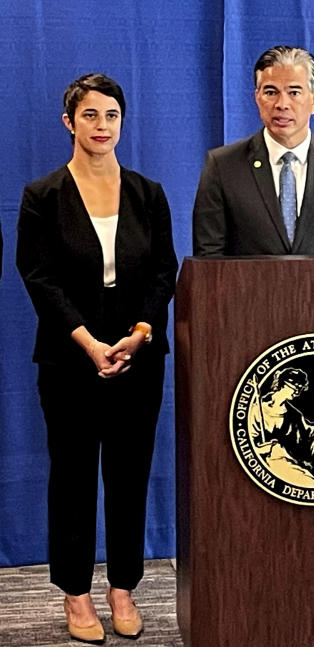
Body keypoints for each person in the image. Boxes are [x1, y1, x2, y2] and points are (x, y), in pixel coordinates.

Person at [16, 73, 177, 644]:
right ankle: (78, 596)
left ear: (121, 122)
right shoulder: (42, 196)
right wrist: (87, 342)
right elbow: (38, 277)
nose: (101, 126)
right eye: (90, 115)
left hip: (139, 359)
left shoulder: (148, 193)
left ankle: (123, 589)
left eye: (111, 115)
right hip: (69, 362)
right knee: (75, 477)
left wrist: (140, 332)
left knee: (130, 476)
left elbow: (164, 273)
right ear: (69, 122)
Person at [192, 45, 314, 256]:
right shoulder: (223, 166)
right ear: (257, 97)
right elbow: (208, 259)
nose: (282, 104)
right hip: (246, 289)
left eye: (294, 92)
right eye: (271, 92)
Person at [247, 367, 314, 487]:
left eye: (300, 388)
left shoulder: (293, 414)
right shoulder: (257, 410)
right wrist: (262, 449)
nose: (297, 392)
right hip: (277, 462)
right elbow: (246, 446)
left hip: (297, 459)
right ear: (283, 384)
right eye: (295, 387)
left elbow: (311, 430)